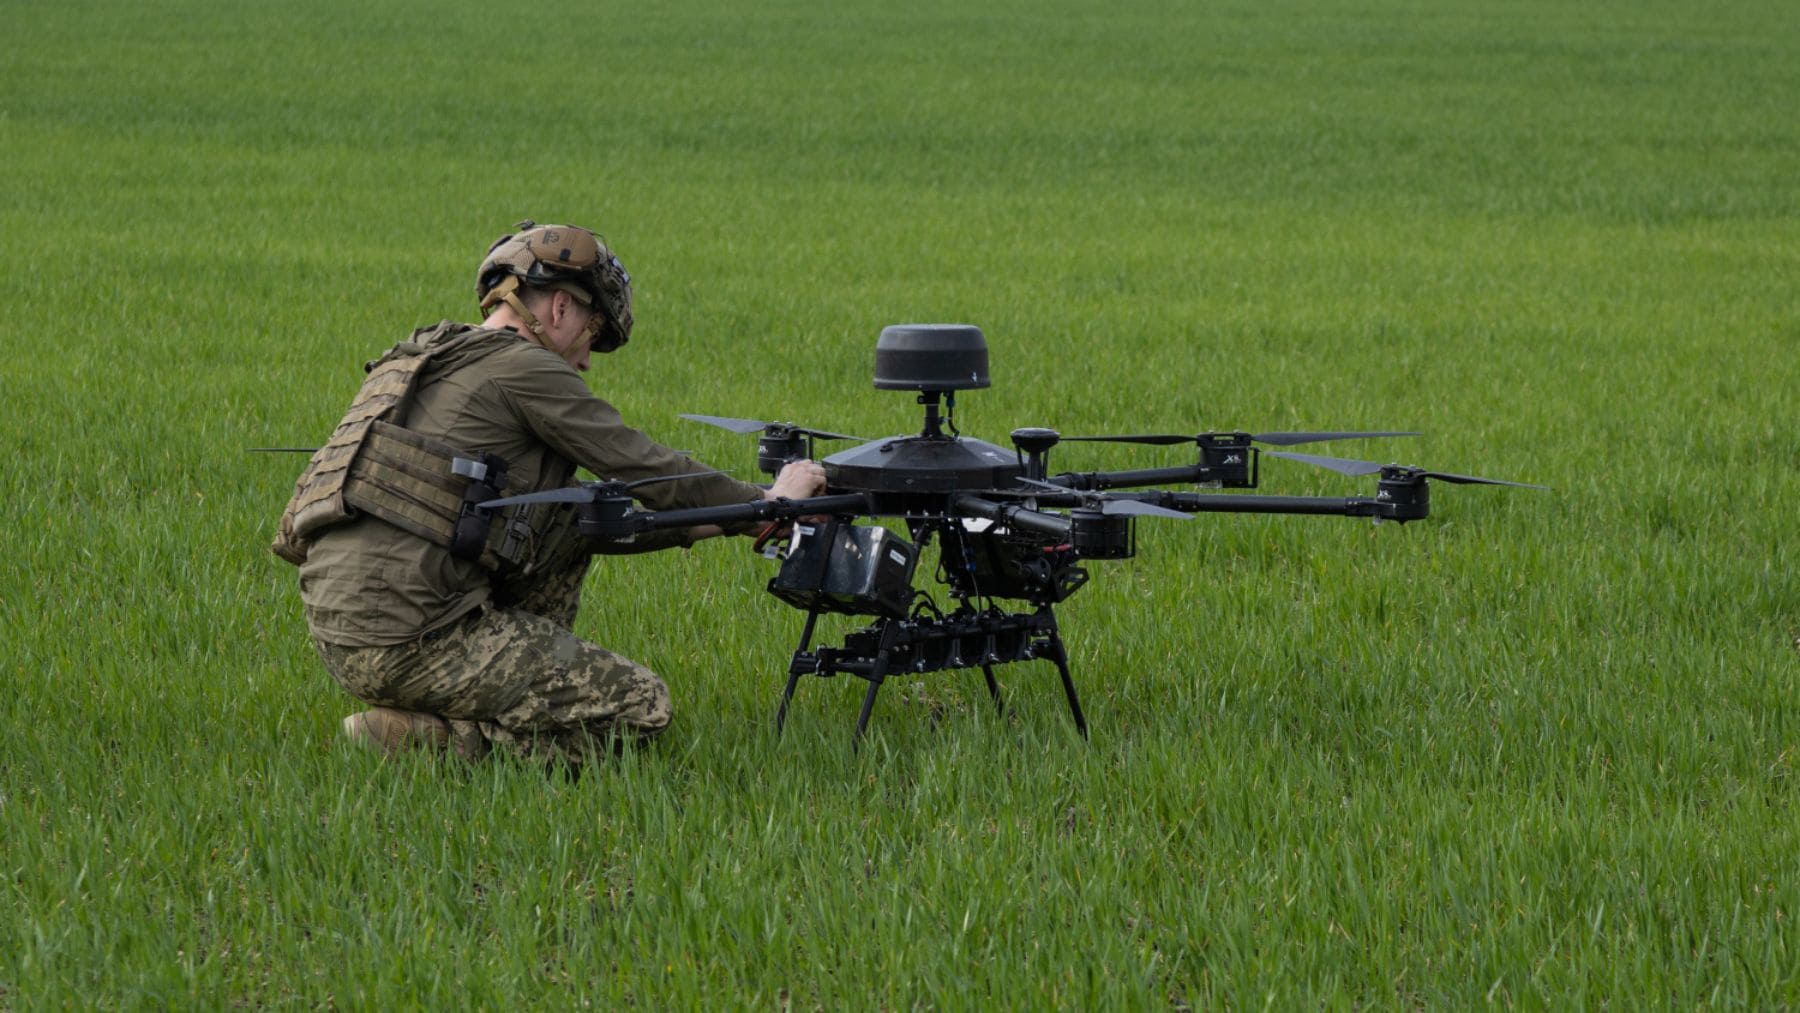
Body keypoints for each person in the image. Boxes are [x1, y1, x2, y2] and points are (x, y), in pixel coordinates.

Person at [273, 221, 825, 765]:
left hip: (341, 634)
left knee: (566, 521)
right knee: (639, 706)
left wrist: (726, 518)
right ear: (561, 308)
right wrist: (773, 504)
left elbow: (577, 516)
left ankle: (487, 697)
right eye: (592, 335)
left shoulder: (422, 359)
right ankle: (436, 739)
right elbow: (645, 465)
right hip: (416, 641)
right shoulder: (524, 368)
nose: (585, 361)